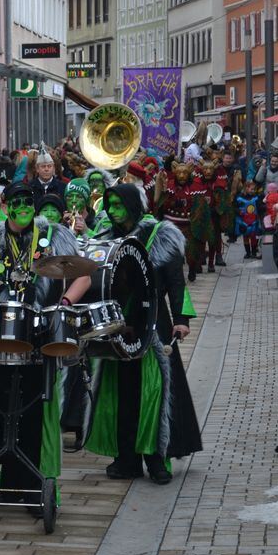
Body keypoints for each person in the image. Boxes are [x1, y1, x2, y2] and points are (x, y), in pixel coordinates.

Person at [0, 182, 90, 515]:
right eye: (16, 201)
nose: (23, 206)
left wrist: (63, 302)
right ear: (5, 204)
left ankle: (36, 487)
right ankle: (9, 484)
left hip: (40, 335)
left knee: (35, 410)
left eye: (28, 201)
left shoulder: (54, 235)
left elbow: (84, 277)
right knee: (3, 408)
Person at [86, 184, 202, 484]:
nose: (111, 210)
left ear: (133, 205)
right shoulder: (105, 239)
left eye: (118, 205)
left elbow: (176, 281)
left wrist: (181, 319)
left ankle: (157, 459)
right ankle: (126, 460)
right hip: (118, 327)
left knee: (154, 393)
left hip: (153, 325)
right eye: (108, 205)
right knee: (121, 394)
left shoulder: (159, 235)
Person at [234, 180, 263, 259]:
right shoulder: (239, 197)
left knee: (253, 237)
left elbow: (259, 207)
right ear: (246, 188)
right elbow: (235, 207)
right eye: (251, 189)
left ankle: (253, 252)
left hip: (254, 221)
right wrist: (239, 212)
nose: (253, 191)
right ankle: (248, 253)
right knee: (245, 237)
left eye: (254, 189)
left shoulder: (256, 197)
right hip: (243, 220)